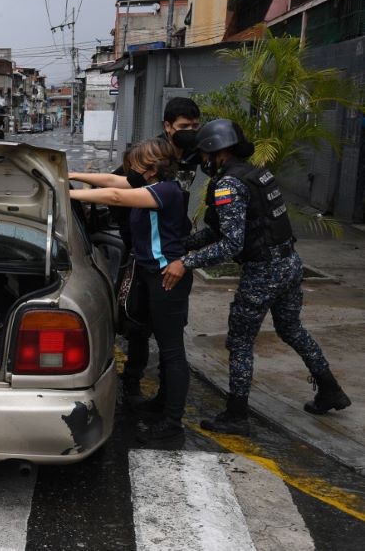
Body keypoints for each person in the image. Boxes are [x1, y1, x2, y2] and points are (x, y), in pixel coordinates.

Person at [162, 119, 351, 436]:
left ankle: (236, 415)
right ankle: (330, 389)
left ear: (215, 152)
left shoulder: (228, 185)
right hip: (289, 264)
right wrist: (185, 243)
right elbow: (236, 228)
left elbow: (231, 243)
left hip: (264, 272)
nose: (203, 162)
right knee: (291, 329)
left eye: (204, 155)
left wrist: (186, 261)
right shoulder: (257, 174)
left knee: (239, 341)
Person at [68, 96, 201, 408]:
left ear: (151, 169)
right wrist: (71, 177)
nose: (133, 172)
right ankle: (153, 398)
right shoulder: (157, 178)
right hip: (150, 267)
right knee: (139, 329)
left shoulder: (162, 190)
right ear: (168, 128)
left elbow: (115, 194)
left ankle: (170, 417)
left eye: (195, 127)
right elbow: (116, 181)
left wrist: (66, 191)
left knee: (170, 348)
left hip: (168, 272)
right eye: (185, 127)